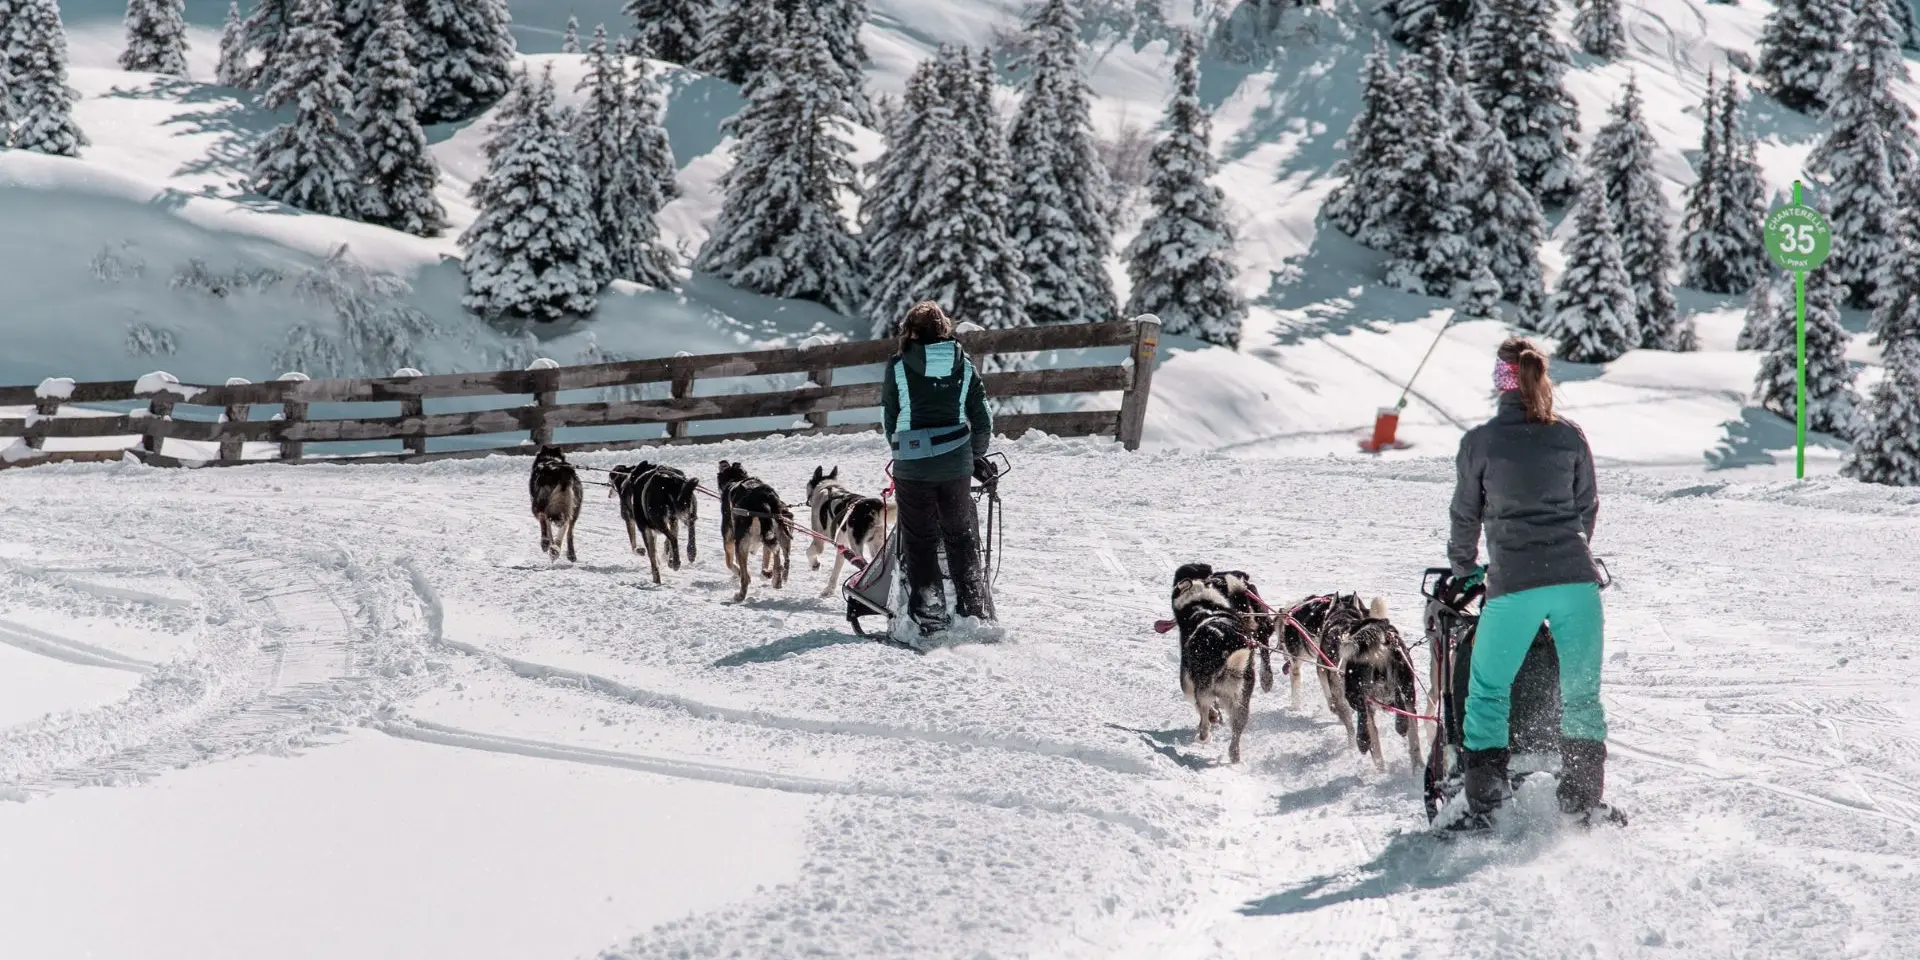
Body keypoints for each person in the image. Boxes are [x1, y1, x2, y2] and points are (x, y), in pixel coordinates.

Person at [1447, 336, 1620, 827]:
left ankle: (1485, 806)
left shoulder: (1479, 442)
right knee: (1581, 694)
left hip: (1514, 584)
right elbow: (1586, 506)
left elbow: (1465, 516)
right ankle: (1581, 803)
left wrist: (1465, 570)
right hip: (1577, 583)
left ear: (1500, 383)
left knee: (1487, 692)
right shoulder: (1570, 436)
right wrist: (1566, 551)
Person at [880, 301, 998, 636]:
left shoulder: (898, 366)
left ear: (911, 331)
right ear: (944, 329)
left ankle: (930, 613)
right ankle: (975, 608)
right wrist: (973, 457)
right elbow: (983, 417)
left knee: (920, 541)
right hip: (955, 465)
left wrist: (903, 449)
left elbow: (889, 417)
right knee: (961, 537)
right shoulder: (963, 364)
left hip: (912, 466)